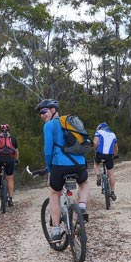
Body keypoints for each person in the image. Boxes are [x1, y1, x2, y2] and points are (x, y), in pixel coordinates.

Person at [35, 99, 90, 241]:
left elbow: (48, 151)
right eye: (40, 113)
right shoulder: (72, 123)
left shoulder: (49, 126)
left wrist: (49, 169)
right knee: (83, 183)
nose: (41, 115)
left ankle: (56, 230)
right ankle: (82, 206)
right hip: (79, 163)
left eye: (43, 111)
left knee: (54, 193)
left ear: (53, 110)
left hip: (59, 165)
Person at [0, 123, 19, 207]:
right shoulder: (13, 139)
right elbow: (16, 151)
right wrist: (16, 160)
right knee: (10, 179)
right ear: (9, 131)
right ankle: (10, 199)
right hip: (10, 159)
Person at [93, 122, 118, 201]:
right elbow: (116, 147)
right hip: (109, 155)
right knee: (111, 174)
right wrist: (116, 155)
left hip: (100, 153)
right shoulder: (113, 134)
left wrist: (95, 151)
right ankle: (113, 192)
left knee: (96, 164)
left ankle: (98, 176)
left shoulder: (99, 132)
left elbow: (95, 143)